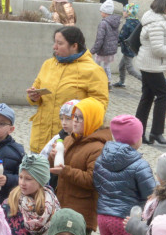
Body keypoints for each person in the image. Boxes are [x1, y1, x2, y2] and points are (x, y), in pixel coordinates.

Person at [94, 114, 155, 235]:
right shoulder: (139, 164)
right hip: (126, 220)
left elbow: (96, 184)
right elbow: (150, 192)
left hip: (103, 217)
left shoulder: (101, 158)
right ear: (137, 139)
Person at [27, 25, 109, 153]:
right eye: (55, 42)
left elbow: (100, 106)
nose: (55, 47)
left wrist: (79, 117)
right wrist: (33, 97)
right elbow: (36, 89)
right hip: (40, 137)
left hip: (69, 142)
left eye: (60, 43)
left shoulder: (93, 70)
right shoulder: (48, 64)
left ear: (74, 46)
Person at [50, 97, 111, 235]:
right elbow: (59, 168)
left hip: (81, 209)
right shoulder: (71, 139)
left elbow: (93, 180)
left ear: (92, 120)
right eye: (74, 117)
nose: (74, 121)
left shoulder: (98, 147)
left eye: (80, 118)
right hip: (64, 203)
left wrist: (66, 171)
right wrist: (53, 158)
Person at [135, 0, 166, 146]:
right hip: (151, 64)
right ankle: (156, 131)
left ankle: (138, 132)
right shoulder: (157, 23)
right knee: (163, 95)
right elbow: (157, 49)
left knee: (147, 97)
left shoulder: (157, 19)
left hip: (150, 63)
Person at [114, 3, 143, 89]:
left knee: (130, 69)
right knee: (121, 66)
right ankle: (121, 81)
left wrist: (115, 41)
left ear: (128, 13)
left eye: (124, 11)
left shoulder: (127, 25)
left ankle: (145, 80)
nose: (123, 12)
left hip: (127, 49)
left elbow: (122, 36)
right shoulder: (138, 22)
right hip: (133, 48)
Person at [93, 0, 121, 84]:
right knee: (107, 66)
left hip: (102, 49)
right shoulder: (115, 22)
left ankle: (95, 80)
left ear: (105, 12)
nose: (100, 13)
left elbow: (100, 39)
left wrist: (93, 50)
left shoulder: (103, 23)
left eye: (101, 11)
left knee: (96, 64)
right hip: (111, 50)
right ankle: (108, 80)